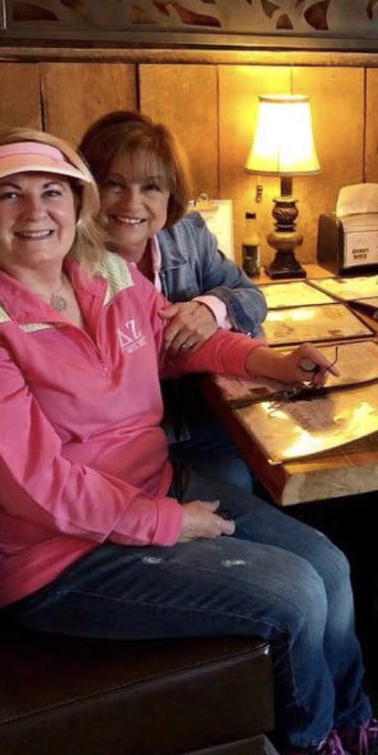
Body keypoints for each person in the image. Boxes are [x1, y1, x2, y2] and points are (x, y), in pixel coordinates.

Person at [0, 129, 378, 755]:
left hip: (151, 488)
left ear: (76, 206)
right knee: (296, 591)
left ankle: (348, 714)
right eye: (8, 195)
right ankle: (305, 735)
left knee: (328, 561)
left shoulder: (106, 275)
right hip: (60, 556)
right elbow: (30, 483)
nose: (34, 212)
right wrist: (161, 521)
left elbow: (181, 340)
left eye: (52, 193)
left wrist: (274, 362)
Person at [79, 110, 265, 492]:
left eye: (151, 188)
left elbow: (253, 297)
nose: (132, 203)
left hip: (202, 418)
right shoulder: (63, 258)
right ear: (86, 190)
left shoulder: (187, 234)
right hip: (122, 450)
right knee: (237, 480)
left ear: (171, 195)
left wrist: (212, 309)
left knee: (272, 457)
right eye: (114, 185)